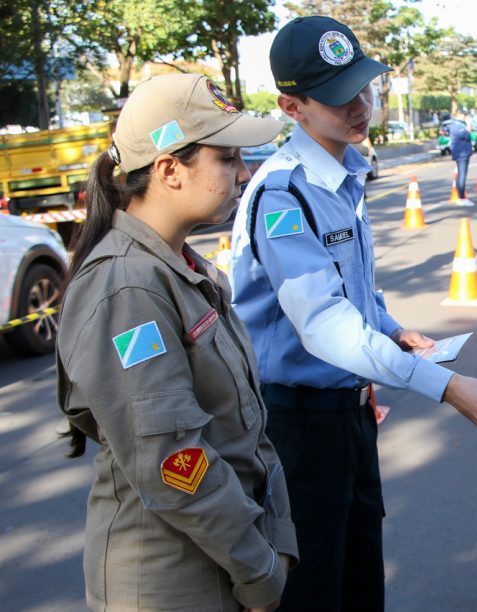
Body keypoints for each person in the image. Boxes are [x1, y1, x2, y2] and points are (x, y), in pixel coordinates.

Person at [229, 16, 477, 611]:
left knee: (361, 575)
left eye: (363, 87)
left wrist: (390, 327)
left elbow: (352, 291)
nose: (361, 106)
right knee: (313, 584)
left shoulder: (344, 174)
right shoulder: (284, 194)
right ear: (292, 106)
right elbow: (322, 324)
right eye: (340, 97)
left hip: (349, 413)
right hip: (299, 422)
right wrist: (443, 385)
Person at [56, 73, 297, 611]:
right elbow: (172, 460)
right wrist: (259, 570)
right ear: (170, 169)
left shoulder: (179, 267)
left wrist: (276, 537)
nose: (244, 173)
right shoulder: (128, 285)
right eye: (228, 159)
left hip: (226, 559)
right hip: (173, 584)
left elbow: (246, 430)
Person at [449, 109, 475, 206]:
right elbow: (467, 135)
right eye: (464, 115)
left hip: (463, 152)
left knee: (461, 175)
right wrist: (468, 124)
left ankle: (461, 197)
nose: (465, 117)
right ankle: (461, 198)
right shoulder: (456, 126)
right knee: (462, 175)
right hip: (461, 153)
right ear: (458, 115)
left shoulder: (460, 124)